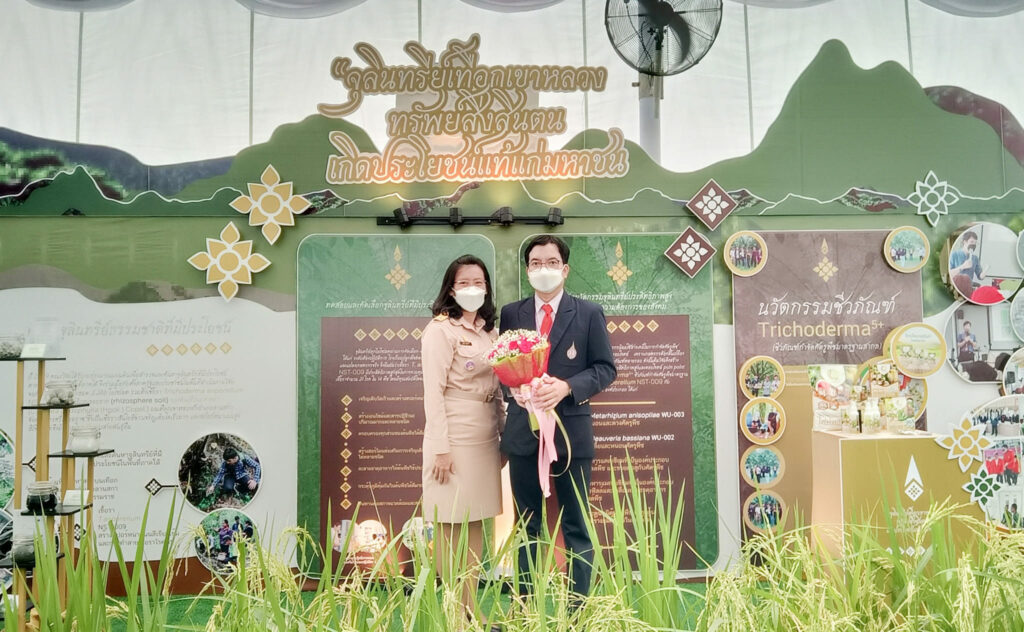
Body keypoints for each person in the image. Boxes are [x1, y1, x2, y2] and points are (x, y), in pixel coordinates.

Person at [499, 235, 617, 601]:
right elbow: (502, 368)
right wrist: (515, 391)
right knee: (526, 525)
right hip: (523, 433)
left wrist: (566, 387)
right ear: (527, 270)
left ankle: (578, 610)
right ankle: (526, 608)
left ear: (564, 270)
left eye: (551, 263)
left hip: (571, 435)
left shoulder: (589, 313)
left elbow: (605, 368)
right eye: (536, 263)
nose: (543, 269)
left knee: (576, 524)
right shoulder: (511, 313)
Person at [420, 254, 504, 627]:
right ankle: (457, 612)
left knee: (475, 524)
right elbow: (433, 393)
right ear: (451, 290)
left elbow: (497, 388)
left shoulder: (489, 332)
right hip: (452, 436)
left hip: (485, 435)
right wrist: (441, 448)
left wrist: (503, 434)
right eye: (464, 282)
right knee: (449, 525)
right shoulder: (440, 330)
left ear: (487, 288)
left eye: (479, 282)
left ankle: (470, 610)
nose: (473, 288)